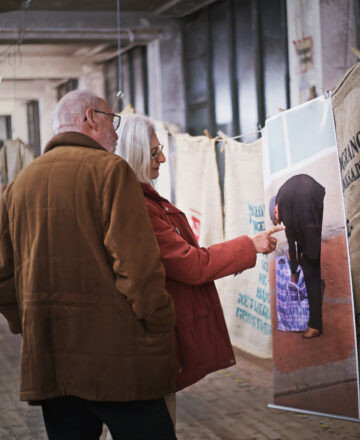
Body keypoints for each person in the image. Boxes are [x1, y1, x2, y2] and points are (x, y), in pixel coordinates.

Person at [0, 90, 176, 440]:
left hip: (50, 357)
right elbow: (138, 269)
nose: (115, 131)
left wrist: (28, 322)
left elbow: (4, 273)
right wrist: (160, 325)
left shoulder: (19, 185)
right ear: (91, 118)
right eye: (113, 120)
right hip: (117, 358)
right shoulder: (111, 171)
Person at [115, 113, 282, 424]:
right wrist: (250, 245)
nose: (163, 158)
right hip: (146, 345)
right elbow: (191, 264)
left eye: (160, 148)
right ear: (133, 153)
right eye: (153, 153)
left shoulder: (143, 200)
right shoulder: (141, 207)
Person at [271, 174, 325, 339]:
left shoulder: (286, 205)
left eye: (278, 220)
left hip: (308, 201)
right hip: (316, 192)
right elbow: (296, 235)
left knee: (310, 265)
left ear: (275, 210)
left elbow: (291, 243)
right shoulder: (285, 196)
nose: (281, 223)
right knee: (309, 244)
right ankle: (317, 284)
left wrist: (294, 271)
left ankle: (315, 325)